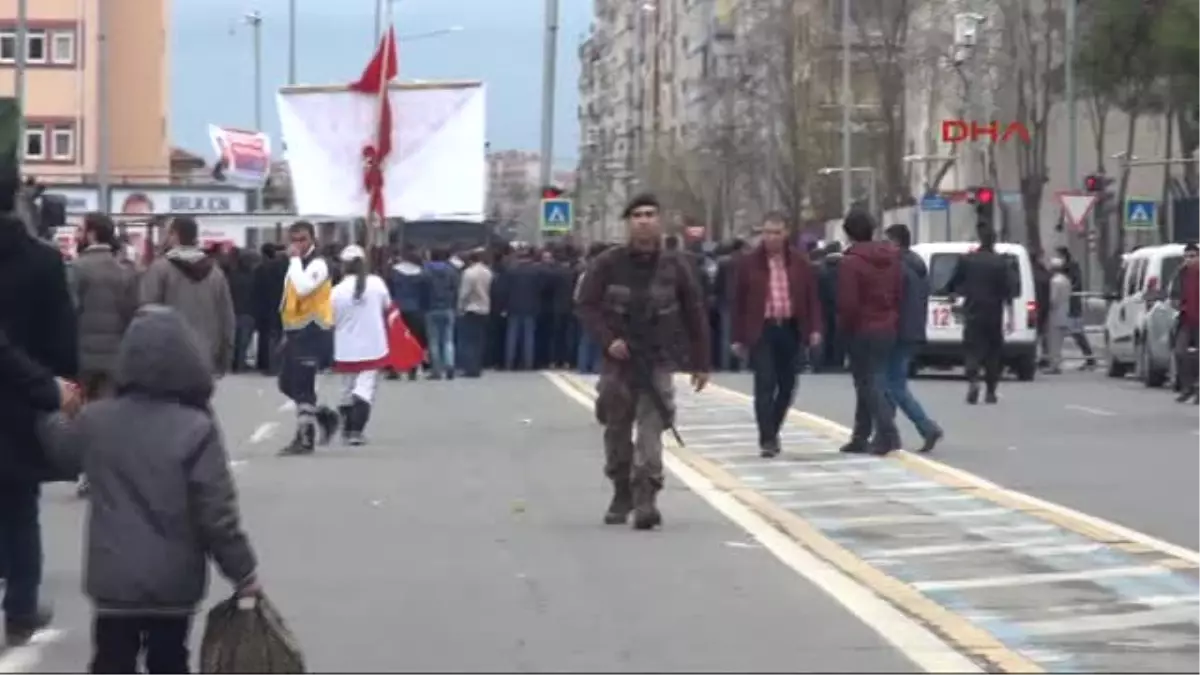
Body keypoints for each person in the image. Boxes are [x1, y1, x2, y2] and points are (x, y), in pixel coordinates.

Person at [39, 306, 260, 673]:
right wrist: (244, 573)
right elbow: (216, 514)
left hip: (113, 580)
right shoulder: (197, 427)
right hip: (175, 583)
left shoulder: (98, 420)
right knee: (170, 659)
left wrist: (57, 409)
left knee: (111, 659)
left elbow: (60, 452)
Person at [576, 193, 711, 530]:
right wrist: (609, 340)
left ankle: (646, 495)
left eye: (650, 214)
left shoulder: (676, 264)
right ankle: (621, 489)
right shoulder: (608, 263)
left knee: (651, 429)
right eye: (637, 215)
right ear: (628, 222)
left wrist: (701, 361)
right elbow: (586, 305)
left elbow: (694, 312)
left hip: (659, 358)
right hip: (619, 361)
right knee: (616, 427)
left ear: (659, 220)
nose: (644, 220)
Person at [0, 181, 79, 645]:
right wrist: (60, 386)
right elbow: (63, 342)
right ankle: (22, 609)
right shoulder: (44, 261)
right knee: (20, 507)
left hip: (24, 385)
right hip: (22, 404)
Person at [730, 212, 822, 458]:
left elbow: (811, 298)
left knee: (788, 384)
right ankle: (767, 438)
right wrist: (737, 337)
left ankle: (773, 427)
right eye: (767, 232)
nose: (771, 237)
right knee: (765, 383)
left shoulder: (800, 262)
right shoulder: (748, 263)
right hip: (762, 330)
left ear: (786, 233)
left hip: (791, 328)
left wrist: (814, 328)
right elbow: (738, 302)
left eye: (776, 232)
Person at [70, 213, 139, 497]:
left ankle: (87, 472)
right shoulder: (124, 270)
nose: (76, 234)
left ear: (92, 234)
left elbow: (69, 312)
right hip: (115, 355)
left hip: (83, 355)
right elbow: (133, 314)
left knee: (83, 414)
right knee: (110, 415)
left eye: (79, 229)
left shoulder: (77, 268)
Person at [836, 211, 903, 455]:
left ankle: (887, 433)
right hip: (887, 325)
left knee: (867, 383)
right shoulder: (892, 258)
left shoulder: (851, 262)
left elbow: (848, 302)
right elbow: (898, 291)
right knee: (874, 379)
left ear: (848, 233)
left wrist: (844, 327)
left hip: (862, 328)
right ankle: (861, 435)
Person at [138, 216, 235, 377]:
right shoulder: (216, 273)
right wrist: (225, 358)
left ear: (174, 235)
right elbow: (227, 317)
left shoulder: (160, 269)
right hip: (205, 356)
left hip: (167, 358)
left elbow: (146, 312)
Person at [277, 221, 339, 455]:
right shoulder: (296, 265)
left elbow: (303, 289)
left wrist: (293, 260)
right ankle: (322, 414)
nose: (297, 245)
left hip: (313, 331)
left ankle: (305, 438)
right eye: (293, 240)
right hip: (295, 331)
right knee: (286, 383)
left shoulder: (319, 264)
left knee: (303, 385)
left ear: (313, 239)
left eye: (302, 239)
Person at [881, 224, 942, 453]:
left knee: (893, 385)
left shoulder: (898, 268)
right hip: (913, 330)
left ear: (896, 243)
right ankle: (887, 432)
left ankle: (926, 426)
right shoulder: (917, 264)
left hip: (899, 330)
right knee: (892, 382)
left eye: (887, 242)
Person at [946, 222, 1016, 404]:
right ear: (995, 241)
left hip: (973, 310)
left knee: (972, 349)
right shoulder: (1002, 263)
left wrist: (951, 293)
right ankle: (991, 391)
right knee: (993, 352)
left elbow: (953, 282)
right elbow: (1010, 289)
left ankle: (973, 379)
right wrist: (1011, 315)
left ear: (979, 240)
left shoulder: (967, 260)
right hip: (994, 313)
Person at [331, 245, 391, 444]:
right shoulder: (377, 284)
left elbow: (330, 320)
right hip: (373, 345)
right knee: (365, 389)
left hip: (345, 347)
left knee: (346, 390)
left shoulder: (336, 291)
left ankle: (347, 429)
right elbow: (387, 306)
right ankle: (356, 431)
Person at [388, 246, 429, 381]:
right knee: (414, 339)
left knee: (396, 339)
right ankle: (413, 367)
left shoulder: (395, 271)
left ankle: (395, 368)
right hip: (416, 309)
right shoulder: (421, 273)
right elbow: (424, 293)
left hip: (398, 309)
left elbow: (390, 290)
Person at [424, 247, 461, 380]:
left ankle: (436, 370)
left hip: (431, 308)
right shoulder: (451, 271)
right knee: (448, 340)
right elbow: (456, 289)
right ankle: (450, 366)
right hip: (448, 308)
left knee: (433, 341)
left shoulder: (426, 271)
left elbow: (422, 289)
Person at [457, 249, 493, 378]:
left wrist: (459, 307)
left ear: (470, 260)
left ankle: (470, 368)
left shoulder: (469, 273)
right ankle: (478, 367)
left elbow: (464, 293)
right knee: (479, 340)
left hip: (471, 308)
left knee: (468, 341)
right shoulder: (488, 272)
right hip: (484, 308)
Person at [252, 243, 287, 375]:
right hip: (283, 306)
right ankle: (279, 365)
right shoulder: (288, 268)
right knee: (280, 336)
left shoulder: (263, 268)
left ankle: (269, 365)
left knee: (270, 336)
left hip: (268, 306)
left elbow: (257, 289)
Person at [1173, 244, 1200, 402]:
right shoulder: (1182, 273)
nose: (1189, 260)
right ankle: (1187, 387)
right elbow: (1176, 292)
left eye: (1192, 256)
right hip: (1186, 318)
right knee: (1180, 352)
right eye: (1186, 256)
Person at [1045, 257, 1073, 375]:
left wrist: (1047, 307)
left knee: (1053, 341)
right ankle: (1057, 363)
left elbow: (1053, 299)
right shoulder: (1066, 280)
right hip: (1065, 311)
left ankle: (1054, 365)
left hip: (1055, 313)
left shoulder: (1055, 281)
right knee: (1059, 341)